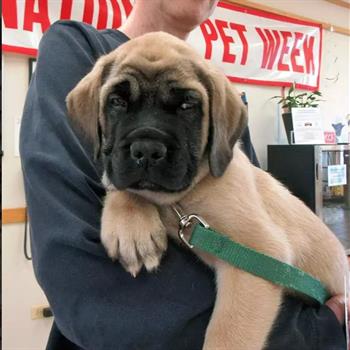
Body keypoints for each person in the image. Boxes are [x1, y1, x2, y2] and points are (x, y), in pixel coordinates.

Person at [20, 1, 347, 349]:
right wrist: (124, 197)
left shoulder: (219, 105)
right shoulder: (77, 49)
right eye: (119, 103)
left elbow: (255, 262)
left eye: (187, 106)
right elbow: (87, 288)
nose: (149, 148)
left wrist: (319, 329)